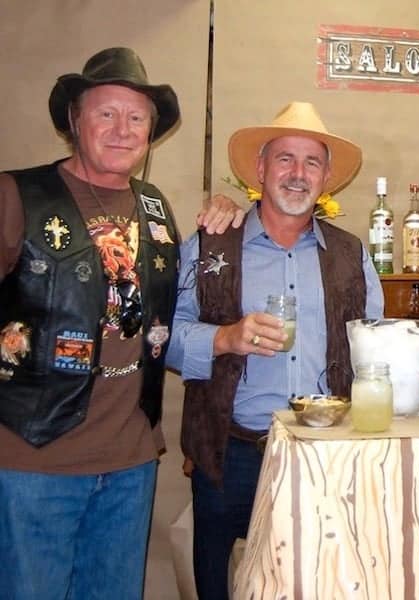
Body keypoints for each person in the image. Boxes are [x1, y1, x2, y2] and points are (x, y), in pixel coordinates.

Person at [0, 47, 242, 600]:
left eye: (137, 118)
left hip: (130, 461)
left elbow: (179, 303)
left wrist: (226, 215)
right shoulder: (19, 194)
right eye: (105, 113)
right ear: (73, 122)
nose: (122, 129)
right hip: (33, 457)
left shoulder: (154, 207)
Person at [167, 101, 385, 599]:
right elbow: (164, 340)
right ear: (260, 169)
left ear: (326, 178)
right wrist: (223, 338)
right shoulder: (209, 245)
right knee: (219, 585)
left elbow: (374, 349)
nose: (298, 173)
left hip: (326, 454)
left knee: (322, 582)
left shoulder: (352, 253)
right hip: (231, 452)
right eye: (285, 158)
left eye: (312, 162)